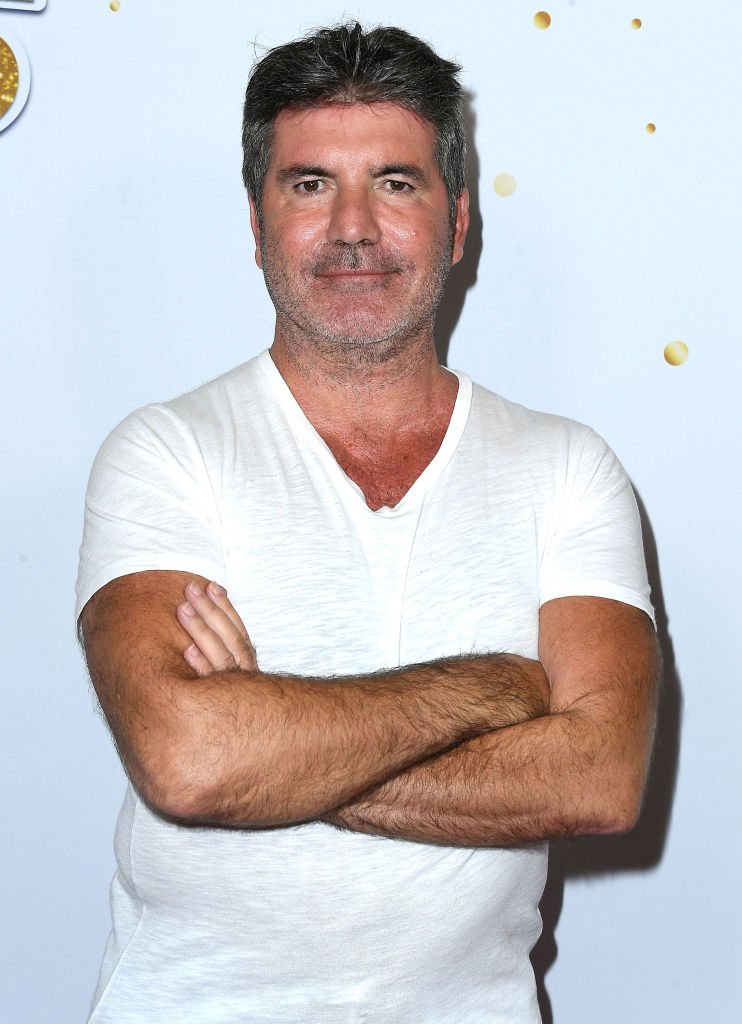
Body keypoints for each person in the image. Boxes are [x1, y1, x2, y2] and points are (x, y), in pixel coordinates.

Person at [77, 21, 659, 1024]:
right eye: (309, 184)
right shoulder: (164, 452)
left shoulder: (566, 468)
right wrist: (496, 688)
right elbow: (186, 758)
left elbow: (599, 777)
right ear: (257, 225)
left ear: (458, 220)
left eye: (394, 182)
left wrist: (269, 738)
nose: (352, 226)